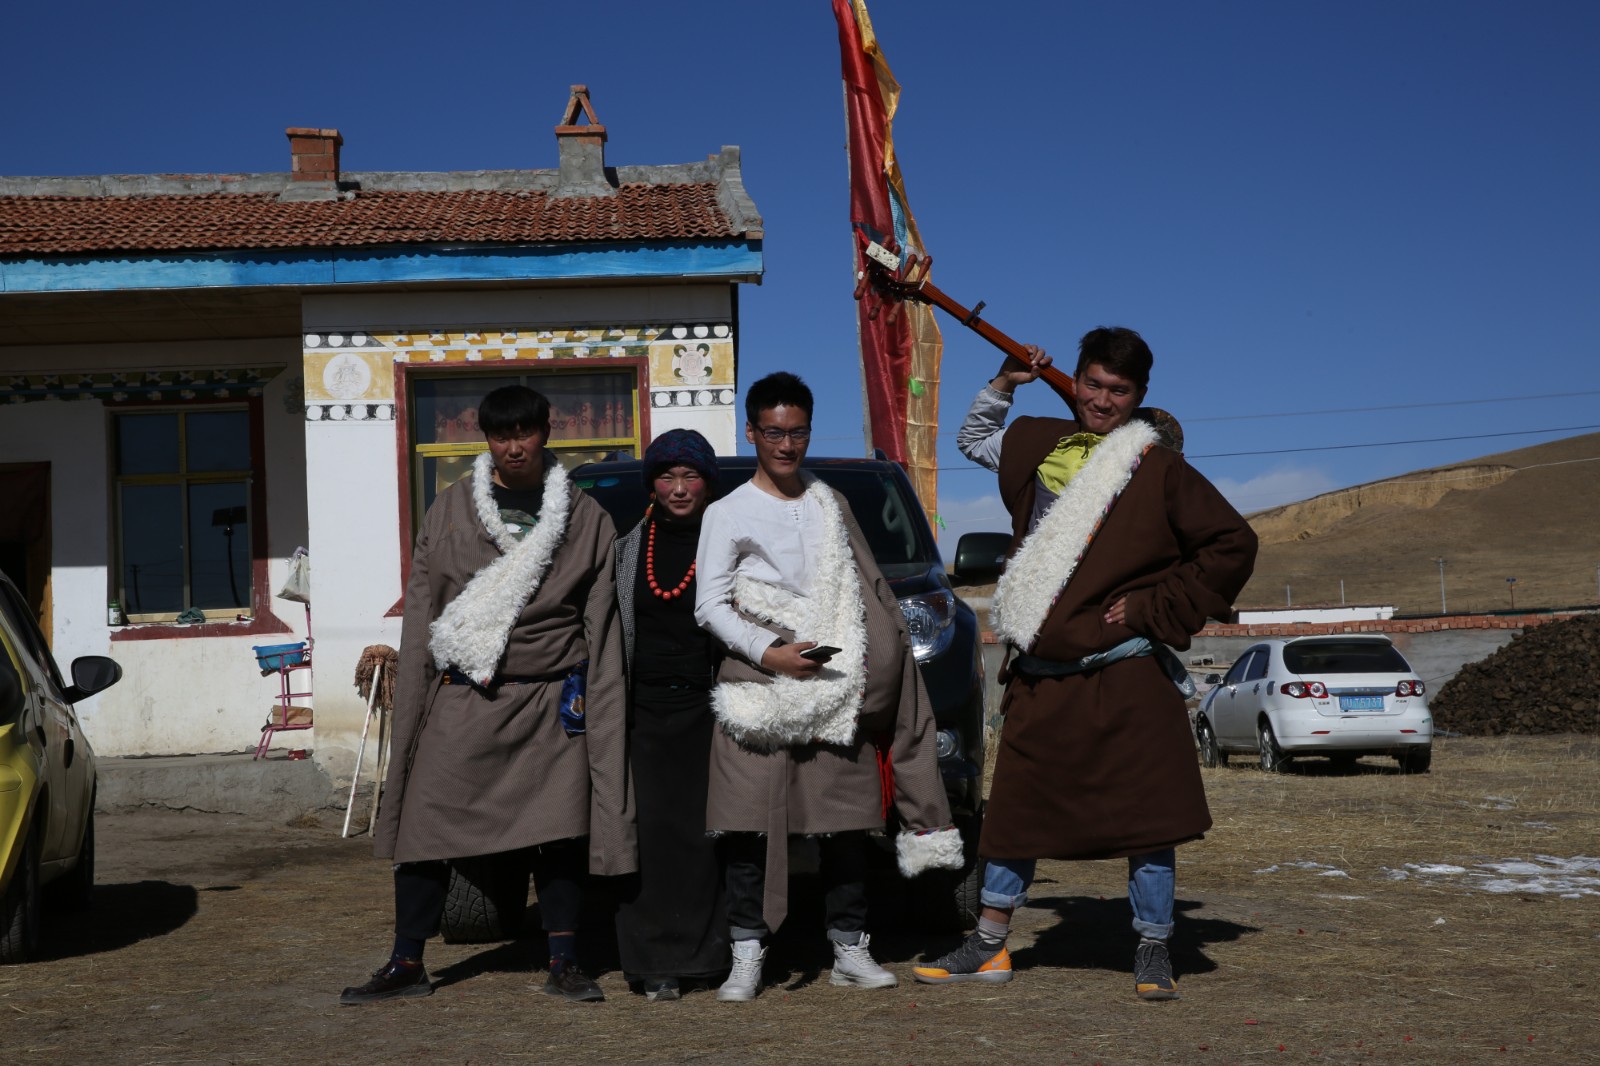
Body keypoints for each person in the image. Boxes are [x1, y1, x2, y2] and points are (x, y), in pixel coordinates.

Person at [914, 328, 1257, 1000]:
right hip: (1042, 672)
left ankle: (1154, 948)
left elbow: (1230, 544)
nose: (1103, 400)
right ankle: (988, 945)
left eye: (1119, 390)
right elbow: (974, 441)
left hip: (1126, 670)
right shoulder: (1041, 441)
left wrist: (1153, 607)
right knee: (1015, 816)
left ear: (1140, 396)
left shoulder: (1158, 468)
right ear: (1076, 379)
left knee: (1148, 820)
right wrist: (1004, 384)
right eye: (1093, 384)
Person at [341, 384, 635, 1006]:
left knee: (559, 833)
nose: (514, 446)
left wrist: (602, 710)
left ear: (546, 433)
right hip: (466, 693)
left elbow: (601, 626)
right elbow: (422, 616)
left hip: (550, 700)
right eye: (501, 435)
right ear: (486, 440)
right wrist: (414, 704)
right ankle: (406, 961)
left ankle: (564, 960)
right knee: (425, 824)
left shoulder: (587, 519)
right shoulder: (449, 510)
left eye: (524, 432)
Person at [694, 371, 964, 1003]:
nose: (787, 445)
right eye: (774, 433)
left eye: (798, 432)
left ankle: (849, 949)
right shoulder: (727, 512)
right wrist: (771, 652)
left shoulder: (830, 502)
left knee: (845, 829)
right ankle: (746, 956)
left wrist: (840, 660)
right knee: (747, 830)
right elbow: (709, 605)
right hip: (758, 688)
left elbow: (862, 593)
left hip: (833, 679)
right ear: (752, 432)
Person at [613, 429, 728, 1001]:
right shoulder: (625, 550)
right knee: (649, 834)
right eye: (667, 475)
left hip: (710, 711)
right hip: (644, 712)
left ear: (709, 482)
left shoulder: (731, 543)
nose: (680, 488)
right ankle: (652, 960)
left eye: (691, 476)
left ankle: (706, 957)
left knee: (704, 834)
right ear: (651, 484)